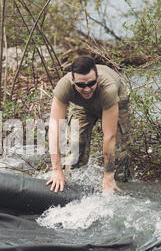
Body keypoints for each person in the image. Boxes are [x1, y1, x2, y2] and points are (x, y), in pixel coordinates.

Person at [46, 56, 132, 194]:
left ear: (97, 77)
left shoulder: (108, 89)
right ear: (73, 81)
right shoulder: (64, 86)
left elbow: (109, 136)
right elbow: (55, 128)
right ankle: (72, 186)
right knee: (75, 147)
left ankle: (119, 185)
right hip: (82, 106)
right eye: (81, 85)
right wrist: (56, 170)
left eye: (91, 83)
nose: (87, 89)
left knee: (119, 153)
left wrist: (108, 175)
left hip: (114, 100)